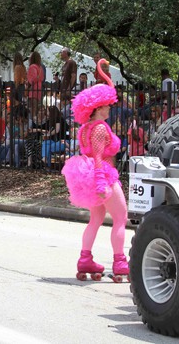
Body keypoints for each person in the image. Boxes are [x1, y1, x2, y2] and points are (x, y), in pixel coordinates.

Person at [61, 58, 129, 281]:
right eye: (107, 105)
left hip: (93, 178)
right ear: (98, 107)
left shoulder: (85, 128)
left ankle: (85, 258)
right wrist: (101, 184)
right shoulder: (100, 128)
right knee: (121, 217)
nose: (110, 108)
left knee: (96, 219)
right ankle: (120, 262)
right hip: (104, 178)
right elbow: (99, 157)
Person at [27, 51, 44, 116]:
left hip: (33, 88)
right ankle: (36, 119)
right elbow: (42, 78)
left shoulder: (32, 66)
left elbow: (33, 79)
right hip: (39, 87)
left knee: (33, 107)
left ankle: (33, 120)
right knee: (37, 106)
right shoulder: (40, 67)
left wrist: (29, 82)